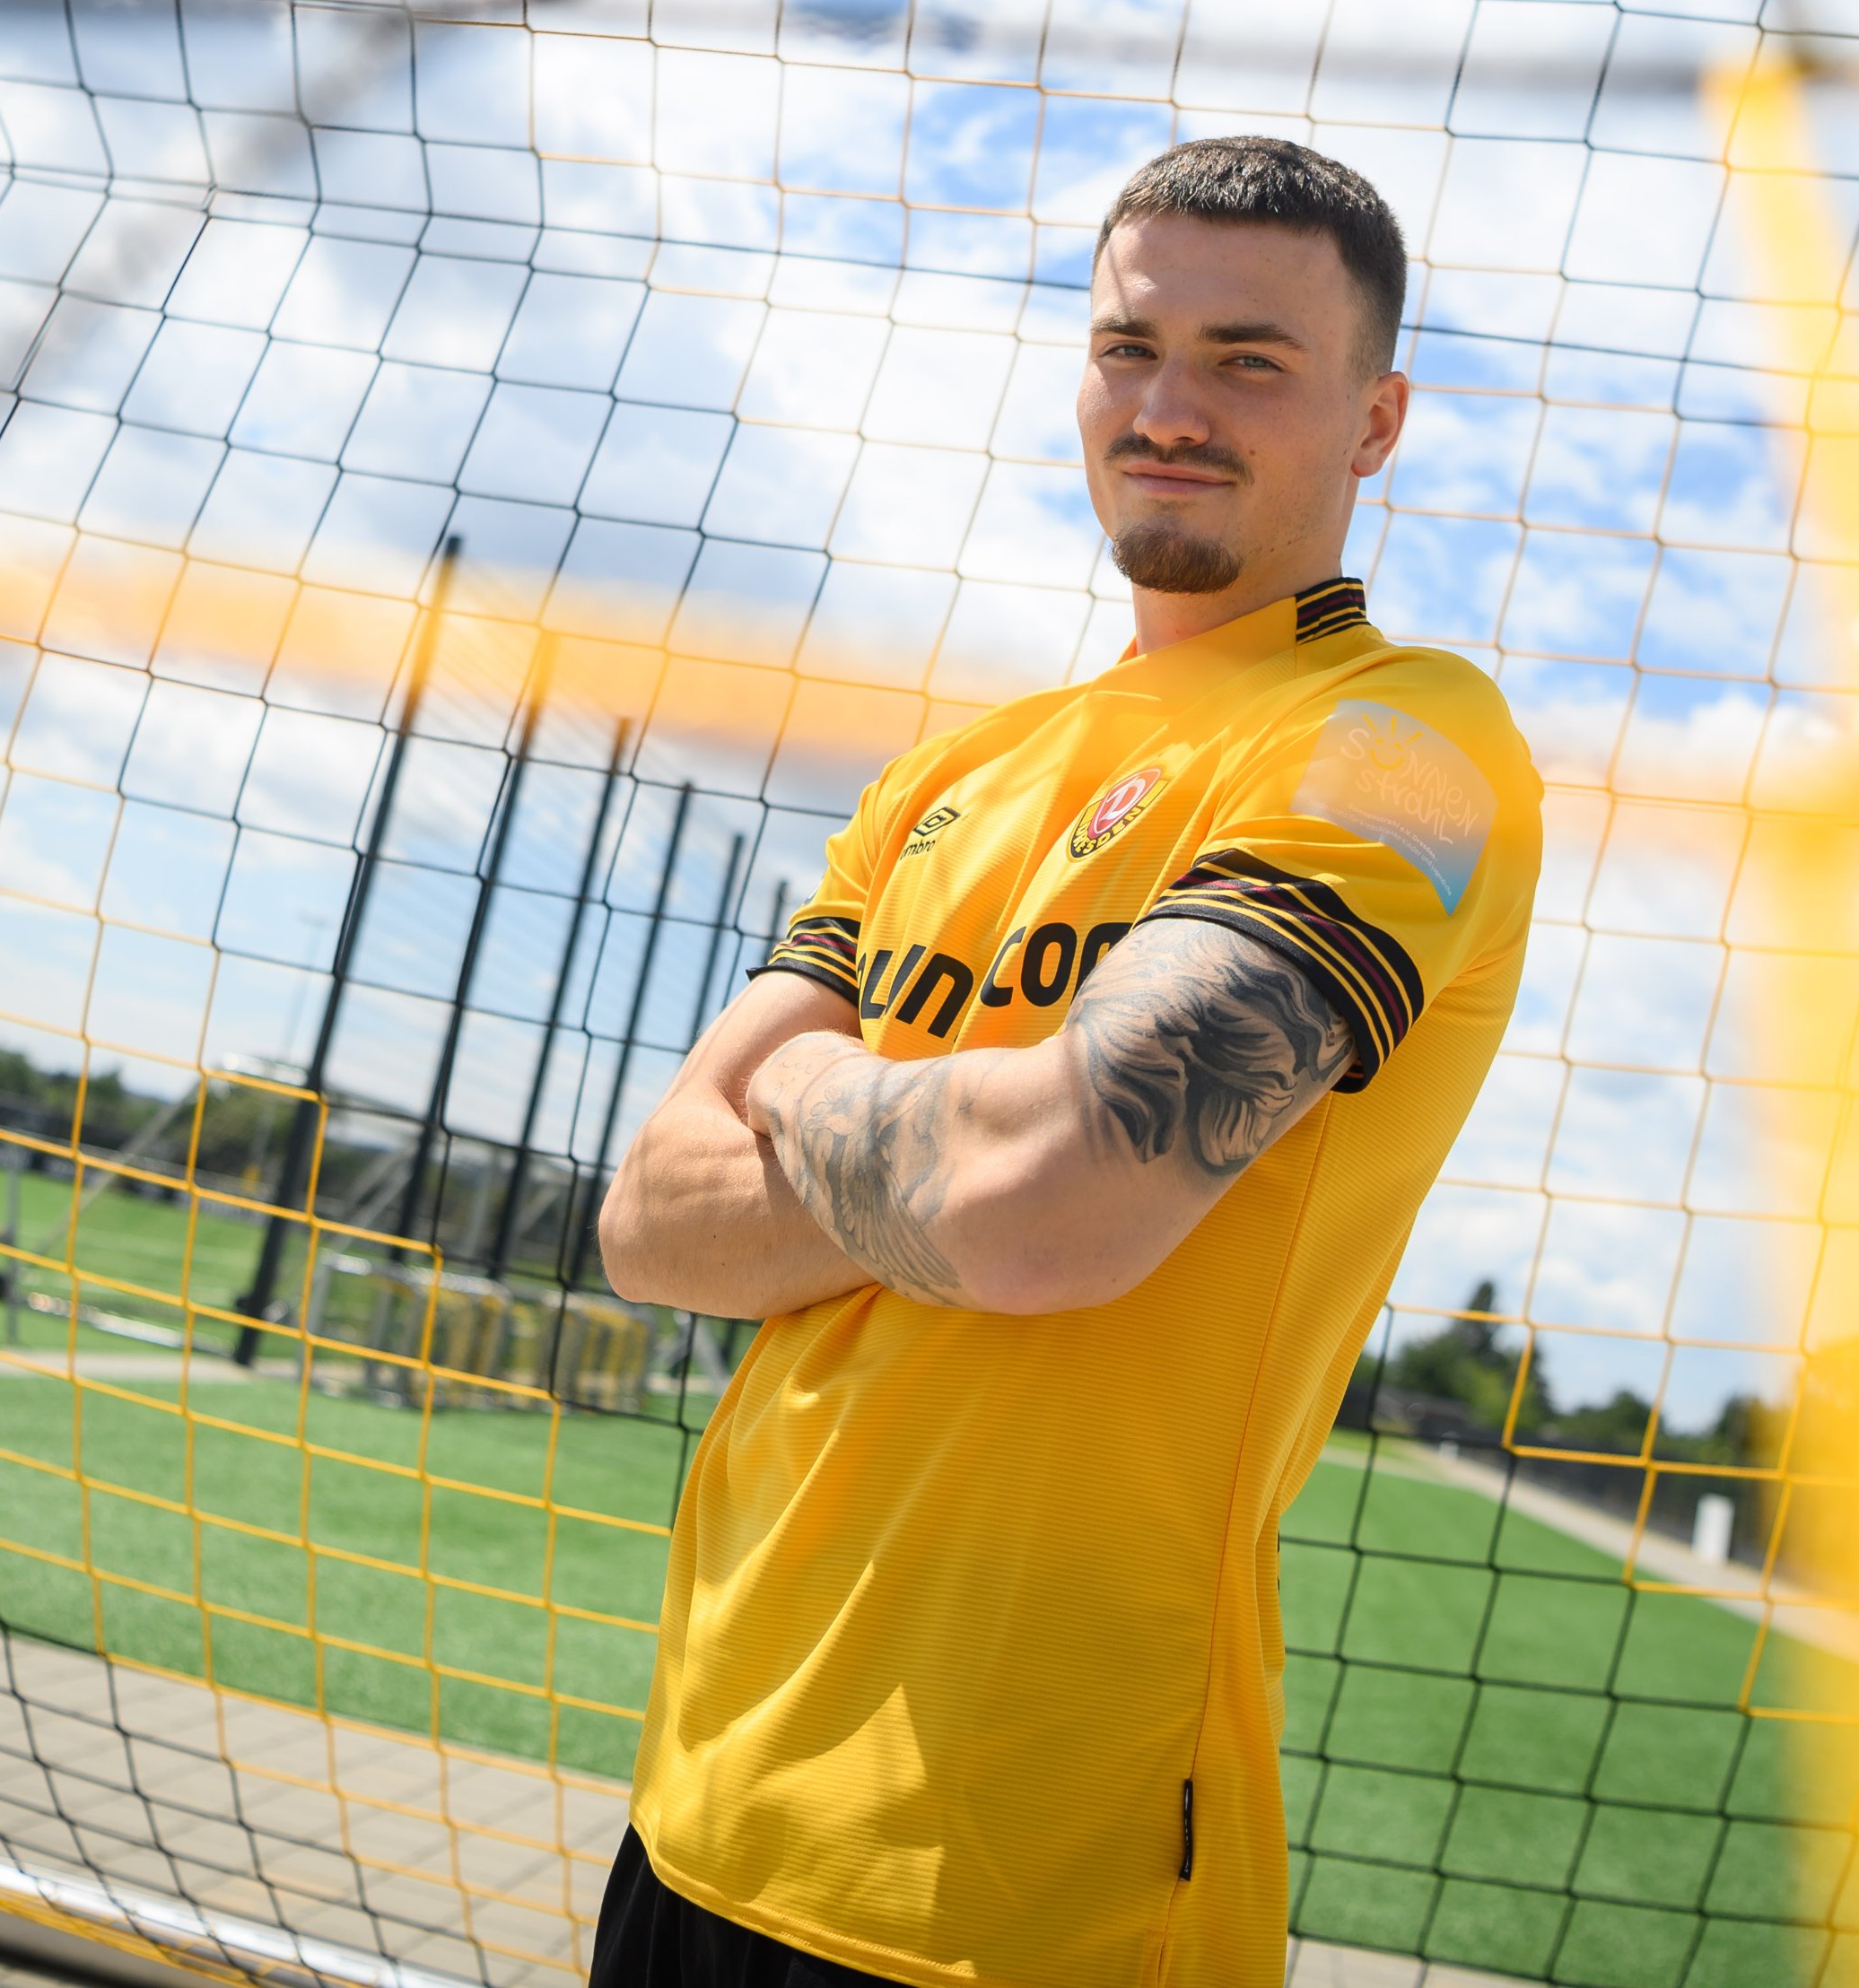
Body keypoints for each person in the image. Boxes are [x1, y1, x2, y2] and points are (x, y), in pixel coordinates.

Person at [591, 135, 1541, 1988]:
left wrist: (800, 1093)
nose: (1169, 406)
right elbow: (644, 1216)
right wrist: (958, 1147)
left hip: (1039, 1888)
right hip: (694, 1812)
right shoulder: (942, 775)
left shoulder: (1410, 749)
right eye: (1128, 346)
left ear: (1374, 418)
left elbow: (1044, 1207)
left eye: (1249, 361)